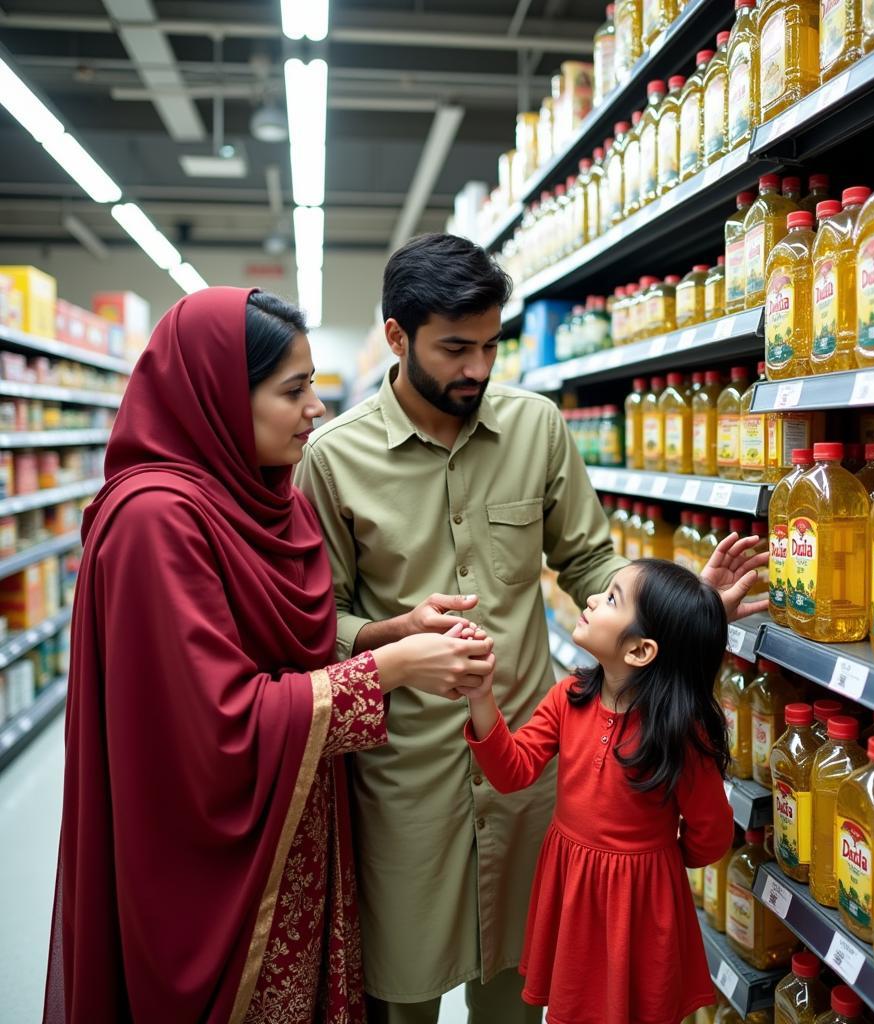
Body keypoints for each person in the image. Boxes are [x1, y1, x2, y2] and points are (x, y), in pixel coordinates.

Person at [295, 233, 766, 1023]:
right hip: (405, 781)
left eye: (489, 345)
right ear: (398, 337)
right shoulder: (334, 460)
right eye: (454, 348)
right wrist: (393, 635)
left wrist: (685, 608)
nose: (478, 368)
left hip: (530, 771)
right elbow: (320, 625)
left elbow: (590, 566)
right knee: (405, 994)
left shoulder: (537, 428)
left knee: (517, 994)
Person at [43, 287, 494, 1024]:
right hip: (211, 866)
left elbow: (288, 656)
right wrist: (394, 671)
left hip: (295, 832)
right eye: (294, 389)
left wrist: (389, 632)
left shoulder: (266, 499)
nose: (316, 407)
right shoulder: (155, 522)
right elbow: (216, 725)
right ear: (219, 397)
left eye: (314, 382)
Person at [464, 559, 734, 1024]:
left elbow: (712, 831)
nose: (590, 599)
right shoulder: (569, 698)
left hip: (641, 907)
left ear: (640, 651)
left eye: (611, 598)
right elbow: (513, 771)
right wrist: (481, 696)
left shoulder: (678, 735)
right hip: (574, 891)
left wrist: (656, 866)